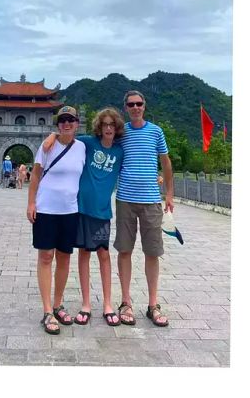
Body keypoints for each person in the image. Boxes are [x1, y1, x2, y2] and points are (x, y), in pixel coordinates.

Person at [42, 108, 125, 326]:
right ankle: (86, 304)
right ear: (99, 126)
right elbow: (66, 135)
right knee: (83, 255)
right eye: (105, 124)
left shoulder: (120, 151)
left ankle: (108, 303)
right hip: (79, 208)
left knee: (104, 255)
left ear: (116, 128)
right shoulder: (88, 143)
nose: (108, 128)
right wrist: (52, 135)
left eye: (112, 125)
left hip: (102, 211)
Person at [114, 90, 174, 327]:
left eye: (139, 103)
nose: (136, 107)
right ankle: (126, 302)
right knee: (125, 250)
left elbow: (166, 163)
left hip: (151, 200)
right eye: (131, 104)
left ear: (144, 106)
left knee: (152, 252)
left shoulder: (156, 131)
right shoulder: (121, 133)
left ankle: (152, 304)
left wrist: (169, 194)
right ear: (126, 108)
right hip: (126, 200)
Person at [26, 106, 86, 335]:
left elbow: (107, 139)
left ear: (77, 123)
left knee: (64, 258)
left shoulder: (83, 147)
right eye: (62, 120)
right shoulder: (46, 146)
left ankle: (58, 303)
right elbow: (36, 175)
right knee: (45, 256)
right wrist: (31, 204)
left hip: (70, 210)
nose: (66, 123)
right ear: (57, 124)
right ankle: (47, 310)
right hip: (46, 209)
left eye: (71, 120)